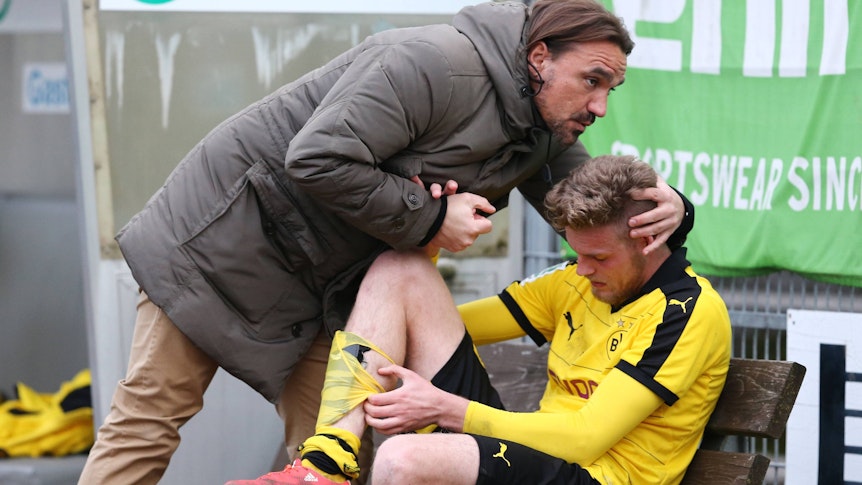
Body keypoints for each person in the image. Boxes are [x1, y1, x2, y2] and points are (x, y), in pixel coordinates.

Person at [78, 2, 695, 484]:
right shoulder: (433, 62)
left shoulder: (540, 131)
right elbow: (316, 158)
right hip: (222, 247)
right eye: (592, 81)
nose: (601, 105)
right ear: (539, 57)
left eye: (611, 87)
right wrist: (431, 222)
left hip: (324, 287)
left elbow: (597, 207)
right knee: (149, 421)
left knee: (333, 451)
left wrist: (675, 210)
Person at [227, 155, 731, 485]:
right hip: (530, 455)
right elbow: (436, 318)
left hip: (594, 476)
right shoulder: (576, 279)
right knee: (398, 271)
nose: (583, 269)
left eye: (598, 257)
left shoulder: (688, 312)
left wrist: (447, 409)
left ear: (648, 240)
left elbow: (584, 439)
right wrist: (427, 244)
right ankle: (325, 466)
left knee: (403, 462)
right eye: (577, 254)